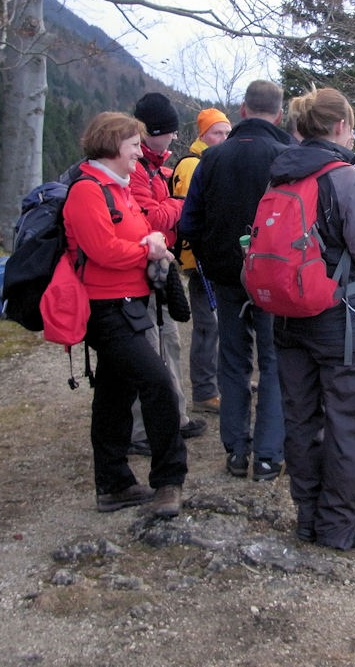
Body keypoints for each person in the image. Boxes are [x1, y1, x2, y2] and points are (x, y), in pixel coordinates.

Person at [269, 88, 355, 550]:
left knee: (300, 416)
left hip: (286, 313)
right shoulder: (345, 177)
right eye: (351, 126)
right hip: (339, 315)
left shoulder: (281, 173)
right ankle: (338, 525)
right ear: (340, 126)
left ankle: (307, 516)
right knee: (345, 419)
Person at [63, 111, 186, 516]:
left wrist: (152, 240)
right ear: (114, 144)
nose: (139, 151)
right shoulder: (88, 191)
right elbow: (102, 250)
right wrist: (148, 250)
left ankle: (114, 485)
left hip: (128, 305)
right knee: (158, 385)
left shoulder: (117, 189)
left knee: (114, 395)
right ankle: (168, 482)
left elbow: (135, 232)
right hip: (107, 309)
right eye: (134, 145)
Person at [178, 83, 290, 482]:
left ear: (242, 110)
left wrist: (210, 256)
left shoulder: (211, 158)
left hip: (225, 275)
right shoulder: (286, 156)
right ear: (279, 114)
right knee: (273, 361)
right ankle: (269, 456)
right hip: (274, 277)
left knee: (232, 359)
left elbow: (188, 222)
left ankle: (237, 451)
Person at [125, 92, 206, 446]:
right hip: (140, 268)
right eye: (169, 131)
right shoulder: (138, 170)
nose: (175, 136)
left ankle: (174, 417)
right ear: (152, 132)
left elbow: (160, 210)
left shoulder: (157, 168)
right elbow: (152, 218)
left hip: (160, 266)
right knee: (148, 349)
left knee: (168, 342)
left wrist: (170, 202)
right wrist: (182, 203)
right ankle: (143, 430)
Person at [171, 107, 231, 415]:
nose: (223, 138)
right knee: (208, 325)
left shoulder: (211, 161)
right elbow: (189, 214)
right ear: (203, 134)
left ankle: (218, 383)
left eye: (226, 133)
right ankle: (205, 391)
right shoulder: (193, 164)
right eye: (217, 133)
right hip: (199, 258)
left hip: (211, 255)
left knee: (219, 323)